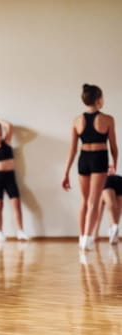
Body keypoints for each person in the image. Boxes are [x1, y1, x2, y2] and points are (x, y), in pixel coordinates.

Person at [62, 84, 118, 251]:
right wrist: (115, 162)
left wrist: (66, 173)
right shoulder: (108, 119)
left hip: (83, 160)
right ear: (99, 99)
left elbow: (72, 150)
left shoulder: (77, 121)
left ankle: (82, 238)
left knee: (85, 201)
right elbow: (114, 146)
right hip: (99, 159)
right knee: (93, 202)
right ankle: (86, 238)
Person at [0, 117, 28, 243]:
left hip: (9, 176)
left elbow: (9, 126)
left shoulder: (6, 142)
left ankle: (20, 231)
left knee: (16, 203)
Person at [93, 166, 121, 244]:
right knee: (117, 208)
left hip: (106, 179)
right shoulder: (111, 163)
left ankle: (97, 233)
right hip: (119, 180)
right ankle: (114, 229)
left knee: (101, 206)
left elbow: (99, 212)